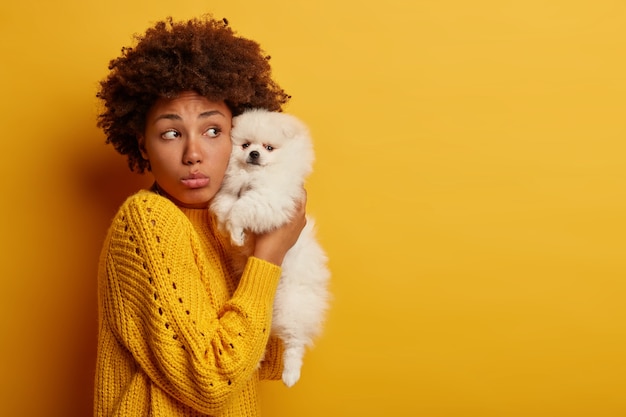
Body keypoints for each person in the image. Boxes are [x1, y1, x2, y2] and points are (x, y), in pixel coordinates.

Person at [94, 16, 307, 417]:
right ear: (143, 146)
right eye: (172, 133)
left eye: (213, 131)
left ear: (238, 136)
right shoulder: (146, 218)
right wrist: (269, 258)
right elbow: (213, 382)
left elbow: (266, 362)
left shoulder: (225, 223)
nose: (193, 153)